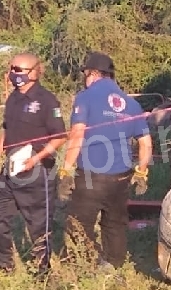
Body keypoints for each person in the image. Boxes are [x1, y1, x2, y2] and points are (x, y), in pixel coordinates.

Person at [58, 52, 153, 269]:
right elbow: (146, 143)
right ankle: (114, 267)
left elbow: (77, 134)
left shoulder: (86, 96)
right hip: (121, 177)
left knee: (79, 224)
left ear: (92, 73)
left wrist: (65, 170)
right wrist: (141, 172)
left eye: (85, 73)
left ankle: (82, 267)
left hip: (92, 175)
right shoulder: (131, 104)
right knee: (115, 224)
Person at [0, 53, 66, 273]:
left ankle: (42, 271)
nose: (14, 73)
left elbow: (59, 137)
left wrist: (35, 159)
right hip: (10, 170)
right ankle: (3, 265)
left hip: (37, 173)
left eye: (19, 70)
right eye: (12, 69)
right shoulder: (13, 98)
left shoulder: (47, 101)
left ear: (34, 72)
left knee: (38, 225)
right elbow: (8, 131)